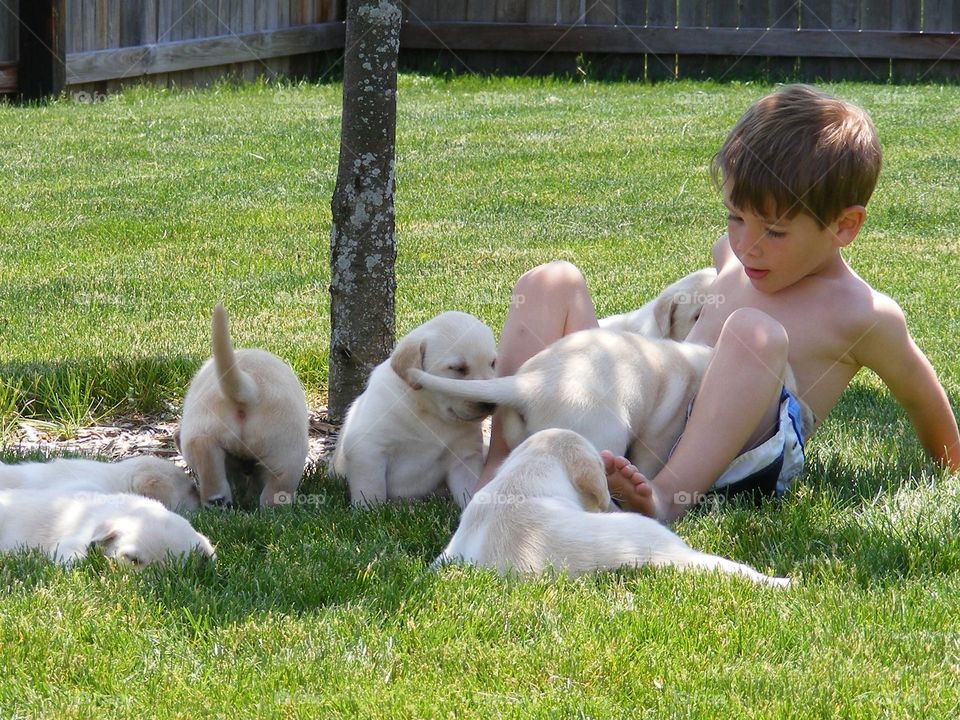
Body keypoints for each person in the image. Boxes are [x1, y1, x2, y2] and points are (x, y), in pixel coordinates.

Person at [478, 84, 960, 524]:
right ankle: (497, 465)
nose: (748, 245)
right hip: (654, 408)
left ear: (844, 226)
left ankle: (665, 499)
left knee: (755, 332)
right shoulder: (740, 258)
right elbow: (727, 254)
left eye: (774, 231)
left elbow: (921, 395)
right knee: (551, 280)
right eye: (735, 217)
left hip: (732, 453)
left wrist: (952, 464)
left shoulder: (862, 315)